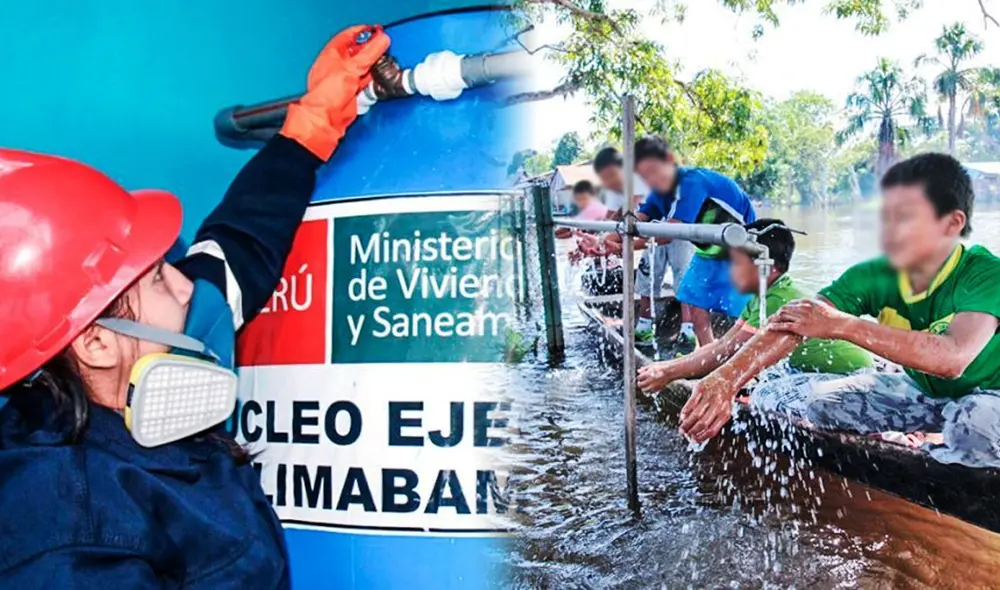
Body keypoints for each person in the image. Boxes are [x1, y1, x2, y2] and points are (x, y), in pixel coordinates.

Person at [0, 25, 389, 586]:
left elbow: (232, 250)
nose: (187, 287)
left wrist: (309, 127)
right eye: (159, 277)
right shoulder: (64, 537)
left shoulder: (118, 358)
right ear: (95, 340)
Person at [677, 154, 1000, 469]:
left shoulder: (984, 272)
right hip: (921, 388)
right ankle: (899, 454)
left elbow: (951, 360)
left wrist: (842, 326)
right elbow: (800, 319)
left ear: (952, 223)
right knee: (820, 403)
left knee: (970, 423)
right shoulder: (877, 273)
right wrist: (726, 380)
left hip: (988, 396)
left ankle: (948, 490)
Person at [637, 219, 872, 395]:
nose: (730, 270)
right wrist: (667, 366)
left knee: (764, 394)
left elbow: (723, 355)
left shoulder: (778, 301)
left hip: (848, 378)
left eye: (737, 263)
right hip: (821, 373)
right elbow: (724, 345)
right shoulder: (761, 297)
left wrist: (668, 371)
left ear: (767, 269)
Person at [605, 137, 757, 348]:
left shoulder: (690, 181)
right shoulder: (658, 193)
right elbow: (634, 222)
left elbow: (668, 233)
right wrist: (601, 243)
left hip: (742, 246)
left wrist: (622, 247)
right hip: (710, 247)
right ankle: (708, 354)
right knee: (693, 297)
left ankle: (746, 357)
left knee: (740, 310)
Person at [594, 146, 695, 346]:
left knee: (683, 279)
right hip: (653, 230)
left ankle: (688, 330)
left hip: (679, 230)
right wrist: (604, 242)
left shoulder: (685, 182)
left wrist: (618, 245)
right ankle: (645, 326)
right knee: (647, 276)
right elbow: (627, 217)